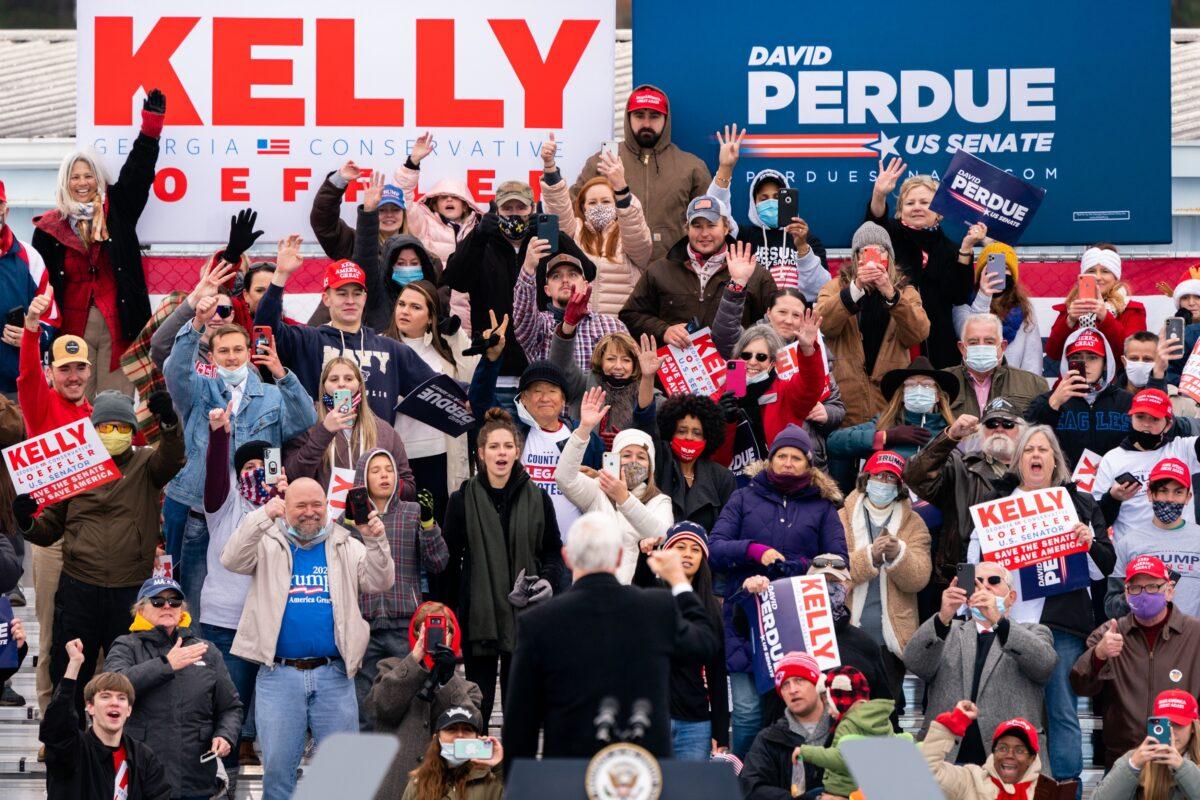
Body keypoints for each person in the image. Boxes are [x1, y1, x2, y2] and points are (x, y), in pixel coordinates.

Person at [219, 477, 395, 800]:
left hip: (335, 677)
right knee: (277, 778)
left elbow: (381, 581)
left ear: (327, 507)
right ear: (285, 509)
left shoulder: (345, 542)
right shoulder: (268, 539)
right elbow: (230, 559)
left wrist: (375, 541)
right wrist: (262, 516)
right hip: (279, 676)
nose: (310, 512)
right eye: (300, 505)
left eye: (317, 505)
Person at [16, 390, 185, 713]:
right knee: (69, 670)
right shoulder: (75, 465)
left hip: (130, 591)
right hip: (80, 586)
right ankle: (66, 742)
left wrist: (168, 423)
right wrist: (26, 521)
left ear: (132, 431)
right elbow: (49, 527)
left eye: (121, 427)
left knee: (130, 673)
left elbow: (174, 457)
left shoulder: (146, 463)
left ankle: (124, 748)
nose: (113, 434)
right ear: (92, 431)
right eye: (105, 428)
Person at [502, 512, 719, 762]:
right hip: (643, 776)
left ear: (567, 557)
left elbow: (521, 724)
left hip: (569, 773)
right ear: (618, 557)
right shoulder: (656, 608)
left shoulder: (537, 622)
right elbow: (705, 642)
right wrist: (679, 581)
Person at [968, 424, 1113, 786]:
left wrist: (1088, 543)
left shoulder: (1080, 503)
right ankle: (1007, 788)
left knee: (1061, 711)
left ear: (1055, 461)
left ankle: (1067, 788)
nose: (1036, 455)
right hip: (1004, 624)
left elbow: (1103, 569)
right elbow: (972, 561)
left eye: (1044, 450)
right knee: (1004, 711)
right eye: (1029, 449)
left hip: (1060, 628)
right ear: (1018, 461)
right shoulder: (993, 505)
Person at [163, 295, 317, 614]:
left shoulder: (272, 395)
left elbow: (306, 418)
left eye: (237, 350)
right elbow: (174, 371)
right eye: (223, 351)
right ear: (213, 356)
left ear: (248, 353)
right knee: (193, 595)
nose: (231, 357)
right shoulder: (200, 389)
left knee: (256, 592)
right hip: (200, 507)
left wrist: (281, 373)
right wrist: (195, 325)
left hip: (256, 510)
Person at [709, 424, 848, 757]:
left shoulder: (824, 507)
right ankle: (739, 780)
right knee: (746, 711)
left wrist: (794, 566)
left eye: (796, 457)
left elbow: (839, 563)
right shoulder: (743, 496)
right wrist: (755, 551)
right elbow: (715, 548)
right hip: (744, 618)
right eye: (781, 456)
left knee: (788, 712)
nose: (787, 463)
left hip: (796, 621)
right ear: (770, 460)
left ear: (808, 464)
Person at [31, 90, 166, 397]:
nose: (82, 183)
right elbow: (39, 287)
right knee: (74, 407)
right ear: (65, 183)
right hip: (70, 332)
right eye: (75, 177)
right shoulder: (48, 230)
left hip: (119, 327)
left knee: (113, 406)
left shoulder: (118, 210)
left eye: (88, 175)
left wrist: (151, 129)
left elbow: (139, 171)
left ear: (99, 178)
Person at [442, 407, 564, 726]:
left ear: (517, 451)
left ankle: (513, 775)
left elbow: (553, 551)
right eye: (493, 447)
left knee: (520, 712)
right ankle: (479, 775)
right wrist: (452, 612)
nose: (501, 453)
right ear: (480, 453)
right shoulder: (461, 499)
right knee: (476, 710)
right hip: (478, 621)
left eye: (508, 446)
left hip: (526, 620)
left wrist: (548, 581)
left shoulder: (539, 497)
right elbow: (448, 563)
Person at [254, 235, 437, 422]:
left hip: (374, 449)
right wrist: (281, 275)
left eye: (357, 294)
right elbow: (263, 331)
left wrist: (467, 396)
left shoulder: (391, 349)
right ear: (327, 299)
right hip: (320, 447)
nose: (350, 301)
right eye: (342, 294)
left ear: (365, 298)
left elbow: (436, 387)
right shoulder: (306, 341)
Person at [16, 290, 94, 715]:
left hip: (92, 535)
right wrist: (31, 331)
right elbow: (27, 377)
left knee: (93, 633)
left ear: (89, 369)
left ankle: (90, 715)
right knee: (48, 630)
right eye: (65, 369)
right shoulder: (40, 405)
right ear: (53, 371)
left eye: (80, 366)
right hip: (50, 536)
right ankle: (49, 718)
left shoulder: (102, 417)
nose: (73, 376)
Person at [442, 180, 595, 386]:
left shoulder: (546, 242)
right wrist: (477, 236)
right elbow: (454, 280)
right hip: (494, 366)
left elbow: (589, 272)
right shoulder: (482, 242)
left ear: (532, 209)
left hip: (541, 366)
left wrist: (556, 235)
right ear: (497, 211)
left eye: (521, 207)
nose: (514, 214)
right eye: (507, 208)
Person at [105, 577, 243, 800]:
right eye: (158, 601)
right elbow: (113, 688)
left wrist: (225, 735)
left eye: (175, 600)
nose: (167, 605)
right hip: (142, 780)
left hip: (195, 780)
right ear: (140, 610)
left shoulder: (206, 650)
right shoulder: (125, 646)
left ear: (182, 609)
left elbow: (231, 708)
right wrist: (166, 665)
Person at [904, 562, 1056, 766]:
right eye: (976, 583)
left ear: (1011, 598)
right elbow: (915, 662)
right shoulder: (947, 629)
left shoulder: (1034, 632)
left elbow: (1044, 665)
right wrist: (943, 616)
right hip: (948, 761)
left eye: (993, 581)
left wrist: (997, 620)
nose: (984, 587)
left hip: (1009, 765)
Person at [200, 407, 277, 774]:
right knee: (226, 709)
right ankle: (223, 778)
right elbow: (216, 471)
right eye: (248, 468)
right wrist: (219, 434)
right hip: (225, 621)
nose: (256, 473)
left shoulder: (286, 508)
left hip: (272, 623)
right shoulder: (224, 503)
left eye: (264, 467)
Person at [348, 448, 448, 729]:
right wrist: (345, 528)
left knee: (407, 700)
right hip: (364, 623)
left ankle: (404, 766)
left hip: (404, 623)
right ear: (362, 478)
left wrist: (429, 526)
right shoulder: (352, 521)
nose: (384, 475)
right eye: (376, 470)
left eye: (389, 470)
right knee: (365, 706)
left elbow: (439, 562)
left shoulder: (413, 512)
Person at [1071, 555, 1200, 768]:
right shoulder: (1108, 633)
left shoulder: (1194, 634)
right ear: (1126, 593)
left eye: (1152, 587)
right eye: (1135, 588)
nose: (1143, 594)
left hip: (1181, 760)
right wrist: (1099, 654)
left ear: (1169, 590)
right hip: (1125, 761)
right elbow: (1080, 685)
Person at [470, 342, 603, 540]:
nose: (544, 398)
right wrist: (491, 361)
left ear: (563, 399)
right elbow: (480, 400)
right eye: (537, 391)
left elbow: (604, 489)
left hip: (574, 548)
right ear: (523, 398)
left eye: (552, 391)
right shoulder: (512, 431)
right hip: (522, 544)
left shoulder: (584, 436)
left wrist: (597, 479)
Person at [904, 401, 1026, 605]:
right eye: (991, 424)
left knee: (1017, 632)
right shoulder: (960, 466)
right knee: (966, 632)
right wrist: (950, 436)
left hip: (1023, 572)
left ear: (1023, 431)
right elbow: (915, 476)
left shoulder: (1034, 468)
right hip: (966, 572)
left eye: (1008, 424)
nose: (999, 429)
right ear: (981, 432)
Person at [572, 85, 712, 261]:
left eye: (654, 116)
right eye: (639, 116)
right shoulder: (602, 162)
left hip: (674, 274)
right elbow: (573, 210)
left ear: (666, 119)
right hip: (616, 274)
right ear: (628, 118)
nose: (646, 124)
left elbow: (711, 222)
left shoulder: (691, 167)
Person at [868, 158, 983, 369]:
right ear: (900, 210)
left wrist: (966, 249)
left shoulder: (951, 249)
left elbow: (959, 295)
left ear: (939, 211)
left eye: (925, 202)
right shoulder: (889, 235)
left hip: (939, 346)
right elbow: (875, 223)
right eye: (910, 203)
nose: (917, 208)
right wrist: (879, 194)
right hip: (893, 338)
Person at [620, 194, 777, 346]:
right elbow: (630, 316)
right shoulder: (659, 270)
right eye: (697, 226)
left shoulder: (754, 274)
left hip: (733, 369)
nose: (704, 233)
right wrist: (664, 330)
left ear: (726, 227)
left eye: (711, 225)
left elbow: (773, 325)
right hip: (676, 368)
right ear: (687, 228)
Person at [815, 220, 930, 427]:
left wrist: (891, 293)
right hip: (846, 402)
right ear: (857, 258)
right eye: (866, 251)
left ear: (890, 256)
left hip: (888, 404)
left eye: (881, 251)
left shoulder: (906, 292)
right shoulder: (834, 288)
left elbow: (919, 333)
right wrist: (855, 289)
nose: (874, 257)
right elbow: (824, 325)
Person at [631, 521, 729, 760]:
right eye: (680, 547)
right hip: (652, 717)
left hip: (695, 722)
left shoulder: (711, 609)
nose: (687, 554)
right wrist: (644, 558)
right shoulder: (654, 596)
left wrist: (720, 730)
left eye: (695, 549)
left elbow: (717, 672)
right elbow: (638, 592)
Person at [841, 451, 932, 709]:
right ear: (866, 478)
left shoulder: (915, 524)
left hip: (889, 642)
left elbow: (920, 577)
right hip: (848, 635)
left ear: (900, 486)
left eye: (891, 478)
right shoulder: (840, 518)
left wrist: (898, 554)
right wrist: (870, 556)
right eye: (879, 475)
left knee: (885, 714)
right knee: (848, 712)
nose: (883, 482)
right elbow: (829, 571)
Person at [383, 280, 479, 522]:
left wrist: (456, 336)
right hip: (394, 456)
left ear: (430, 317)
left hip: (439, 455)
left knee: (437, 527)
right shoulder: (380, 346)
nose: (405, 311)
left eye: (415, 307)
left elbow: (473, 378)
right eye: (401, 304)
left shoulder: (445, 349)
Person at [367, 603, 483, 799]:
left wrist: (448, 678)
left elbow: (471, 727)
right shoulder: (389, 669)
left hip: (447, 790)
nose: (435, 635)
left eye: (443, 629)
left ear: (451, 636)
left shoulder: (467, 689)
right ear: (416, 632)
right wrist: (415, 659)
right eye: (427, 629)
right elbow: (381, 707)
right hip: (396, 788)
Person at [557, 391, 673, 584]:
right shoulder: (597, 491)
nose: (633, 461)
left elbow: (662, 534)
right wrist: (584, 429)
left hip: (635, 597)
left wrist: (624, 499)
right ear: (615, 459)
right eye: (626, 455)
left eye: (641, 457)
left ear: (651, 466)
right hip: (593, 590)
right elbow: (564, 478)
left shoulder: (659, 500)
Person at [706, 125, 830, 301]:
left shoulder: (807, 240)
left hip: (793, 321)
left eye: (777, 197)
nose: (770, 202)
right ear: (753, 203)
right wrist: (725, 168)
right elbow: (715, 211)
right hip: (753, 322)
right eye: (763, 198)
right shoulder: (742, 236)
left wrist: (802, 248)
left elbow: (818, 291)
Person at [1025, 327, 1174, 471]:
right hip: (1064, 488)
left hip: (1115, 486)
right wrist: (1053, 403)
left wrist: (1116, 461)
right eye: (1076, 358)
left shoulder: (1127, 401)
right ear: (1066, 362)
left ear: (1105, 364)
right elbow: (1025, 440)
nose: (1085, 364)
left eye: (1092, 357)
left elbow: (1156, 435)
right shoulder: (1049, 400)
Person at [539, 131, 652, 315]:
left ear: (617, 205)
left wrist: (621, 187)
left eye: (606, 201)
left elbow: (638, 238)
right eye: (592, 202)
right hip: (580, 329)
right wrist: (550, 166)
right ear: (583, 208)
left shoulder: (628, 235)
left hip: (621, 332)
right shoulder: (574, 232)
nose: (599, 206)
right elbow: (559, 208)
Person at [40, 641, 171, 800]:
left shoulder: (143, 757)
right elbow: (57, 726)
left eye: (121, 698)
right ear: (90, 707)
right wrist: (74, 664)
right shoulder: (73, 748)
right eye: (105, 696)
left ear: (129, 710)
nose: (114, 702)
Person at [322, 174, 445, 333]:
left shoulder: (430, 258)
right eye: (400, 263)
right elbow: (365, 261)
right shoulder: (357, 245)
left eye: (414, 263)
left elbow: (439, 304)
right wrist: (369, 212)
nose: (389, 215)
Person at [282, 356, 416, 500]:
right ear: (323, 386)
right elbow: (293, 475)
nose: (341, 384)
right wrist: (325, 431)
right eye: (333, 379)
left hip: (373, 517)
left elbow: (409, 488)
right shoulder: (307, 423)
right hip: (323, 516)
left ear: (359, 385)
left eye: (348, 378)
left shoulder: (384, 430)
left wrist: (382, 483)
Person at [713, 313, 827, 478]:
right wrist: (724, 421)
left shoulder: (786, 393)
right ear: (737, 358)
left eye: (761, 357)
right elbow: (716, 460)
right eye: (746, 355)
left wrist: (808, 350)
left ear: (772, 362)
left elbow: (811, 386)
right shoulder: (719, 397)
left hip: (777, 481)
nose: (752, 362)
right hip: (731, 484)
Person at [394, 133, 486, 330]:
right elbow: (402, 197)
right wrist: (413, 163)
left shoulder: (481, 228)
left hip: (473, 309)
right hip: (431, 304)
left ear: (466, 203)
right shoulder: (424, 223)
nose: (449, 200)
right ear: (434, 202)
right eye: (443, 197)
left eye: (455, 196)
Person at [1093, 388, 1200, 542]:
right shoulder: (1112, 459)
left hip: (1182, 552)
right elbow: (1097, 522)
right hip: (1134, 556)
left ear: (1168, 425)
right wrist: (1113, 498)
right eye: (1140, 417)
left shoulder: (1183, 449)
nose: (1146, 425)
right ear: (1131, 418)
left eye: (1155, 419)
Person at [1105, 458, 1200, 619]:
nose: (1169, 499)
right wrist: (1139, 593)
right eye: (1163, 490)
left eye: (1178, 492)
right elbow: (1111, 607)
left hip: (1192, 640)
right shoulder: (1128, 543)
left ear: (1188, 497)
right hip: (1143, 641)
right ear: (1150, 494)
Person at [636, 393, 737, 535]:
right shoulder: (659, 462)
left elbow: (728, 529)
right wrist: (648, 377)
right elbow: (645, 421)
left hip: (701, 554)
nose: (689, 437)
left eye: (697, 433)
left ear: (707, 437)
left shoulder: (722, 477)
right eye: (682, 431)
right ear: (671, 433)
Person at [794, 666, 902, 799]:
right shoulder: (879, 719)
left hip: (843, 790)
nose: (829, 711)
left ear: (841, 699)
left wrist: (806, 752)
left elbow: (842, 758)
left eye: (829, 702)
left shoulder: (848, 724)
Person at [825, 356, 955, 462]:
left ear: (938, 395)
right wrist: (887, 436)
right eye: (911, 384)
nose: (918, 389)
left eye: (927, 385)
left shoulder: (950, 430)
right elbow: (834, 441)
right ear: (903, 394)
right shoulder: (886, 422)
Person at [740, 652, 833, 799]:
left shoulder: (846, 727)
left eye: (800, 680)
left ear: (818, 684)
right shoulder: (768, 739)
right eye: (785, 685)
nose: (792, 690)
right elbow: (751, 789)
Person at [512, 251, 619, 372]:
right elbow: (523, 314)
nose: (565, 280)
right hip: (550, 391)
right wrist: (528, 268)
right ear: (547, 290)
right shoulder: (539, 325)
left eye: (572, 275)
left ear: (585, 285)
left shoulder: (611, 326)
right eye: (556, 276)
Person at [921, 700, 1050, 800]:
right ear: (993, 753)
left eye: (1019, 750)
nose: (1009, 755)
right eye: (1003, 748)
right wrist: (950, 725)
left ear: (1031, 759)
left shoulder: (1047, 792)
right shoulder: (971, 781)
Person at [550, 328, 657, 444]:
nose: (618, 366)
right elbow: (561, 367)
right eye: (611, 359)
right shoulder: (583, 385)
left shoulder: (648, 394)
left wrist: (626, 442)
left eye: (626, 360)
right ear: (601, 361)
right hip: (584, 459)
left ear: (635, 364)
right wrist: (566, 331)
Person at [952, 242, 1045, 375]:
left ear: (1013, 276)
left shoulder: (1023, 308)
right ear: (980, 274)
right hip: (974, 382)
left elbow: (1032, 356)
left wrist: (1031, 388)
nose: (998, 274)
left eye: (1006, 268)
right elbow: (969, 332)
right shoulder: (964, 304)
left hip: (1013, 386)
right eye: (991, 269)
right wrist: (984, 296)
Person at [1092, 689, 1200, 800]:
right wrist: (1132, 766)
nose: (1171, 731)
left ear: (1193, 727)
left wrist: (1182, 767)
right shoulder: (1135, 758)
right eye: (1165, 725)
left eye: (1178, 724)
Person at [1045, 245, 1147, 361]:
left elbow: (1131, 355)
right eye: (1091, 271)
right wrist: (1069, 321)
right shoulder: (1071, 308)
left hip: (1117, 378)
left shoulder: (1132, 310)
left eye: (1105, 271)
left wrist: (1105, 317)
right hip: (1075, 375)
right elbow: (1053, 353)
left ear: (1116, 277)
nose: (1098, 277)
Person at [0, 177, 52, 397]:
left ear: (5, 210)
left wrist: (31, 336)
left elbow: (51, 317)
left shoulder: (29, 257)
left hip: (16, 388)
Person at [947, 313, 1048, 419]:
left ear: (1003, 346)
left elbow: (1044, 430)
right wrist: (950, 433)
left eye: (989, 342)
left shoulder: (1034, 384)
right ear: (962, 348)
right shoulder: (941, 383)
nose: (981, 347)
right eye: (973, 342)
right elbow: (931, 432)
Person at [310, 160, 406, 261]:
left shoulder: (415, 244)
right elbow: (323, 223)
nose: (389, 214)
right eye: (381, 210)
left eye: (395, 210)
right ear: (372, 212)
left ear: (404, 214)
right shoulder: (354, 243)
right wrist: (338, 180)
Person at [402, 707, 504, 800]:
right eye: (451, 729)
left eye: (467, 730)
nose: (460, 735)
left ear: (477, 738)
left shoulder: (492, 781)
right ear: (436, 739)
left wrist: (500, 767)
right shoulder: (419, 783)